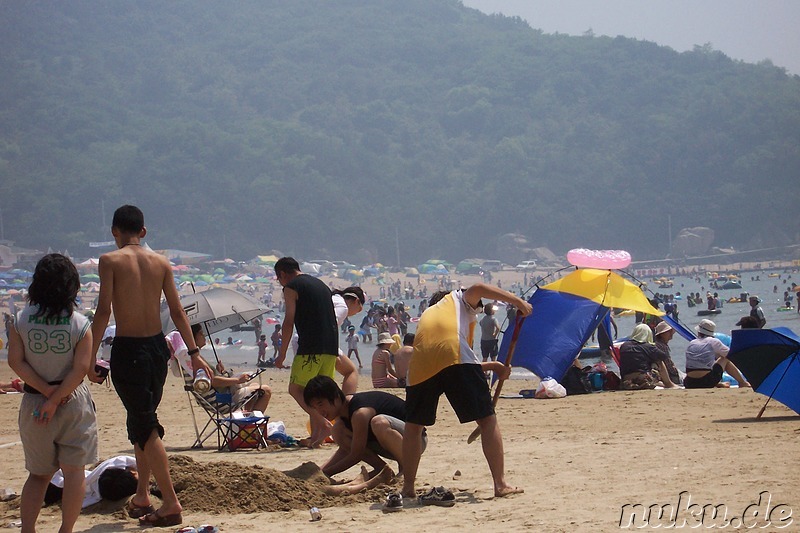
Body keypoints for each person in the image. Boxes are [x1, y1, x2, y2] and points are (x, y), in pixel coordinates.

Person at [88, 205, 210, 528]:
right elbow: (178, 311)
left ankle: (170, 503)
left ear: (114, 232)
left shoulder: (110, 261)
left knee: (146, 425)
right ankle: (143, 494)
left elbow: (103, 313)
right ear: (143, 232)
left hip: (129, 350)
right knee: (141, 422)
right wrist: (194, 352)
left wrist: (88, 357)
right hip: (158, 349)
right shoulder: (161, 262)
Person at [401, 283, 531, 500]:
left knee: (413, 427)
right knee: (487, 421)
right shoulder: (456, 299)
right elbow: (479, 288)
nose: (477, 312)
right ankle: (500, 484)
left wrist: (495, 367)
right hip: (454, 357)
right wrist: (518, 302)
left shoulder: (429, 315)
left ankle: (407, 488)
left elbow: (447, 361)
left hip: (420, 366)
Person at [7, 253, 98, 533]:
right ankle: (65, 530)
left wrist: (46, 394)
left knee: (38, 475)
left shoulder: (20, 320)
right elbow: (81, 368)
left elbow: (15, 362)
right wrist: (56, 398)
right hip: (72, 401)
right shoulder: (80, 323)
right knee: (74, 473)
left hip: (35, 400)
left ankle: (28, 529)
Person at [303, 375, 425, 479]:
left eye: (321, 404)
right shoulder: (343, 417)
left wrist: (327, 473)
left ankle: (405, 469)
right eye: (315, 408)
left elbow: (356, 454)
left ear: (335, 396)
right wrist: (320, 472)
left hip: (415, 441)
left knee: (379, 423)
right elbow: (346, 450)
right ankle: (382, 470)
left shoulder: (359, 412)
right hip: (388, 443)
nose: (320, 411)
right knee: (337, 431)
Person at [274, 257, 339, 447]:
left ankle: (324, 424)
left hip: (311, 347)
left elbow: (288, 321)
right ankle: (317, 437)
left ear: (283, 275)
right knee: (318, 393)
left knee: (295, 389)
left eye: (279, 279)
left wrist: (282, 353)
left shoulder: (292, 287)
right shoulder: (320, 284)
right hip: (331, 346)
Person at [168, 325, 272, 414]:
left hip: (218, 397)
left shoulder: (190, 360)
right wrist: (238, 380)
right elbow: (213, 381)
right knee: (266, 390)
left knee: (254, 387)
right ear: (192, 337)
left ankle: (246, 425)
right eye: (201, 333)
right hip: (223, 400)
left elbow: (211, 379)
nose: (204, 336)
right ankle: (252, 426)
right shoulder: (196, 361)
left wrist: (220, 372)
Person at [45, 456, 138, 509]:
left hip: (55, 485)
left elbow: (118, 461)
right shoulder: (109, 490)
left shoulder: (102, 477)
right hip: (57, 487)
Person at [684, 319, 751, 389]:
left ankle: (718, 384)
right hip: (706, 381)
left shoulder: (692, 343)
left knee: (705, 364)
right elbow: (731, 355)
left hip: (689, 382)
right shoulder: (713, 341)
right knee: (725, 358)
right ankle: (742, 382)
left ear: (698, 332)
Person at [618, 324, 678, 390]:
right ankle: (669, 384)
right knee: (658, 361)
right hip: (642, 379)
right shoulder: (648, 347)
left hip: (626, 380)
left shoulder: (624, 345)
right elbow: (664, 356)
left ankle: (660, 384)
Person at [653, 321, 682, 386]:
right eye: (668, 332)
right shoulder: (661, 346)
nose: (671, 334)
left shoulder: (660, 344)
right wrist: (675, 373)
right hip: (667, 375)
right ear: (662, 334)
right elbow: (668, 364)